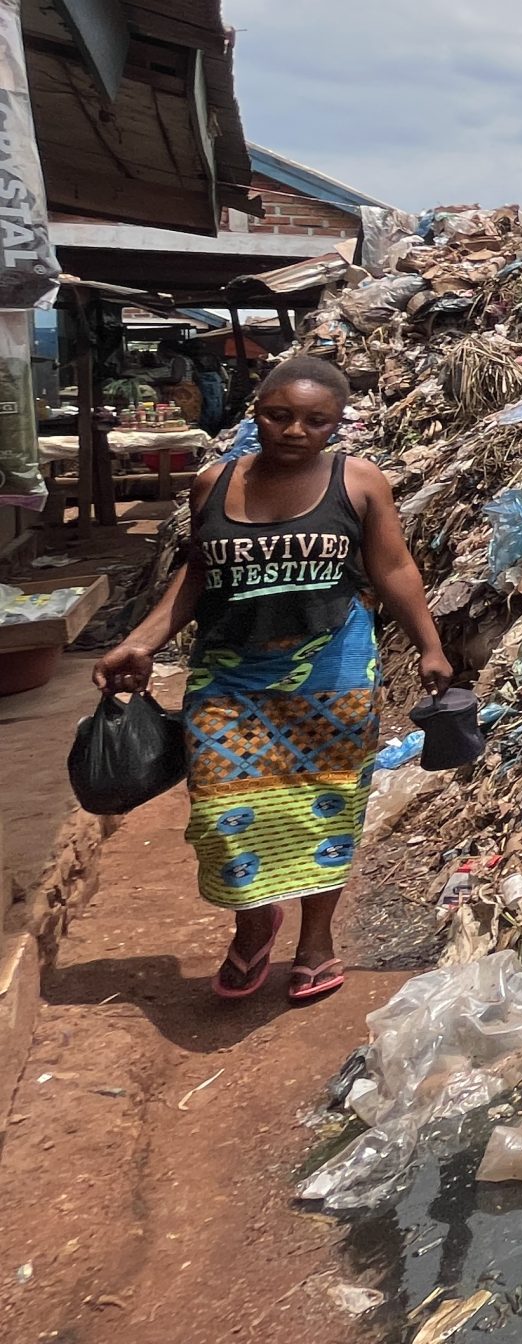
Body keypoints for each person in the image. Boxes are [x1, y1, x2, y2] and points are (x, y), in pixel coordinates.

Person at [93, 355, 451, 1002]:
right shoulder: (214, 483)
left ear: (337, 424)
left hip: (333, 673)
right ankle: (255, 921)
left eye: (316, 421)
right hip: (228, 676)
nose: (294, 431)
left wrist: (430, 646)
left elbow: (394, 568)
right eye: (278, 415)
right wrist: (140, 641)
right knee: (219, 807)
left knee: (327, 807)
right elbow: (198, 573)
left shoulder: (359, 481)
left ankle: (316, 941)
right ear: (256, 412)